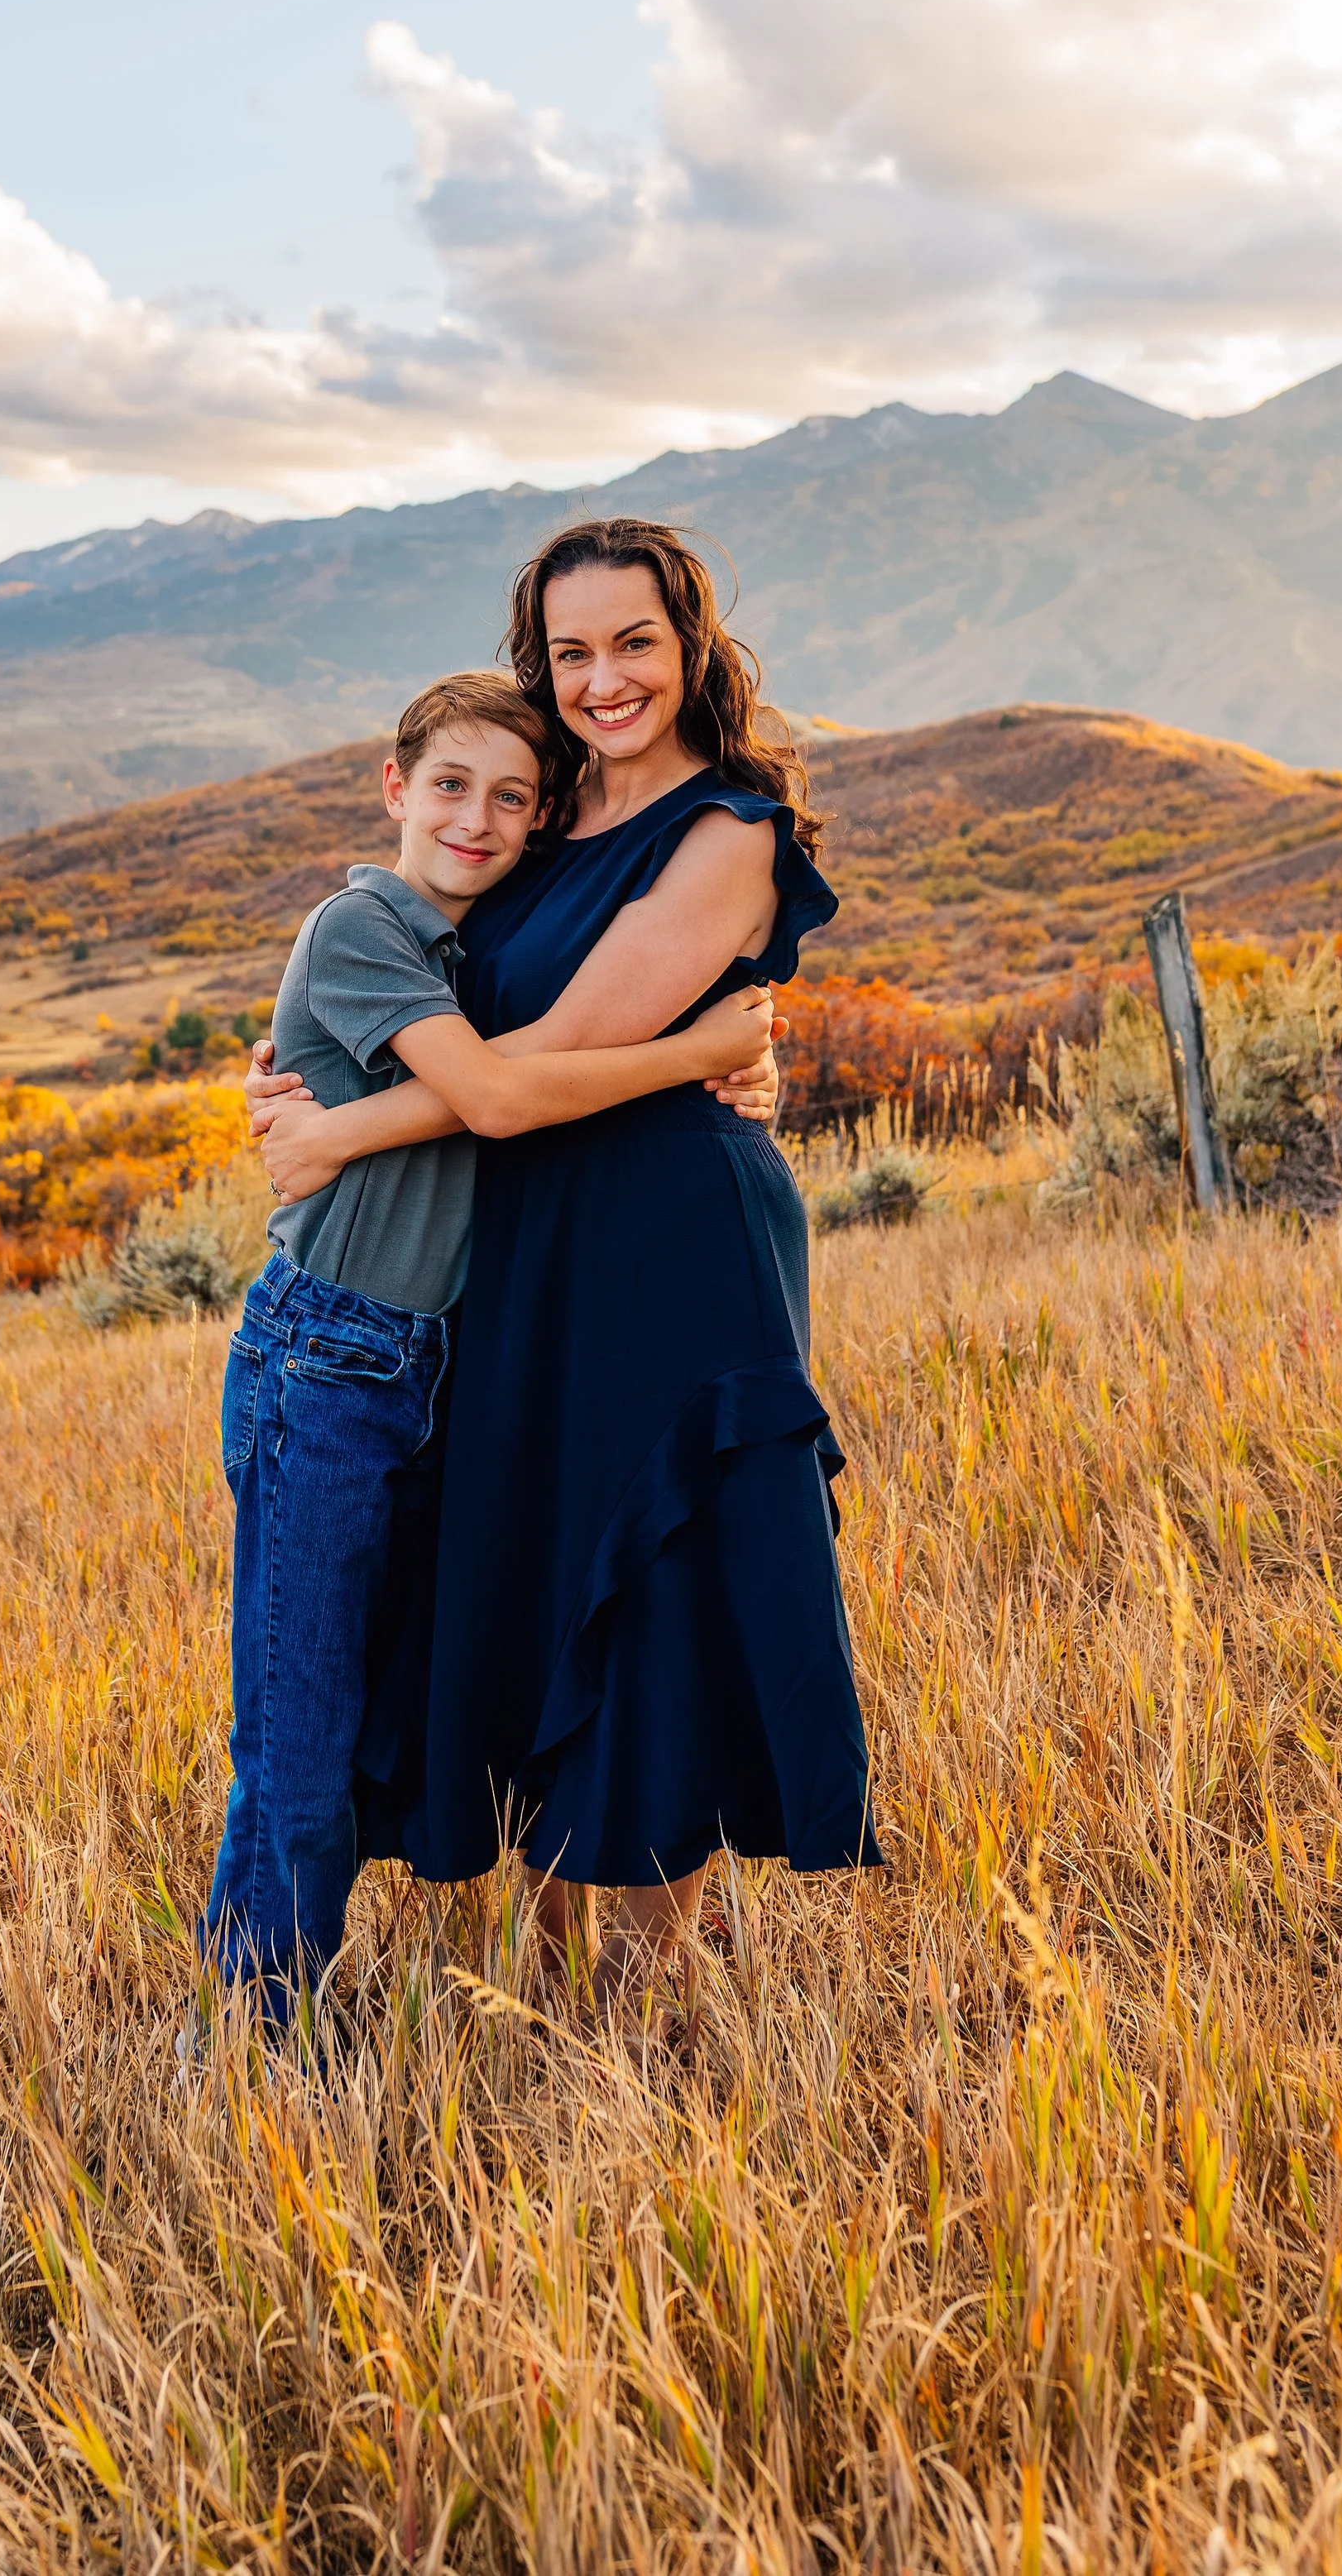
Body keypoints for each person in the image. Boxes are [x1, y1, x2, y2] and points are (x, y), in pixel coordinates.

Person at [253, 520, 880, 1996]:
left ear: (693, 646)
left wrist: (339, 1138)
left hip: (666, 1248)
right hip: (523, 1245)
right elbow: (426, 981)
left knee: (645, 1579)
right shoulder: (536, 814)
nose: (604, 680)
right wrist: (301, 1077)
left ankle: (640, 2007)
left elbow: (537, 1059)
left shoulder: (727, 832)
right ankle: (547, 1981)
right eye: (571, 651)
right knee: (529, 1576)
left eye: (635, 644)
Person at [204, 668, 779, 2023]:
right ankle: (250, 2037)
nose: (477, 816)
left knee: (372, 1709)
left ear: (541, 822)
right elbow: (500, 1098)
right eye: (451, 785)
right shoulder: (360, 928)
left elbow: (549, 1055)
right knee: (298, 1729)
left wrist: (746, 1065)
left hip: (444, 1367)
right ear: (395, 788)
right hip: (330, 1365)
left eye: (512, 796)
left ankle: (292, 2006)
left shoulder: (482, 941)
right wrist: (697, 1046)